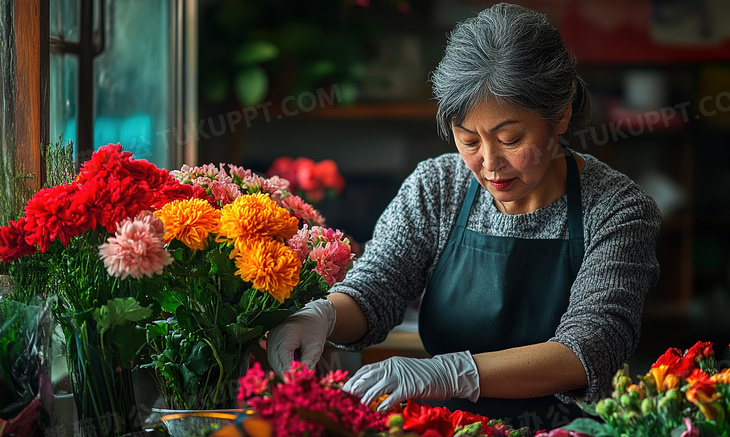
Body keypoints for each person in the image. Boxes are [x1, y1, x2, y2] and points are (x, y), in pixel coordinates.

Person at [266, 2, 661, 431]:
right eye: (469, 140)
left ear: (561, 114)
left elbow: (589, 348)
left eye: (511, 139)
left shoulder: (617, 209)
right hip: (445, 427)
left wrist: (450, 372)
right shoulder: (438, 186)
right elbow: (376, 286)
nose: (491, 163)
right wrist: (320, 316)